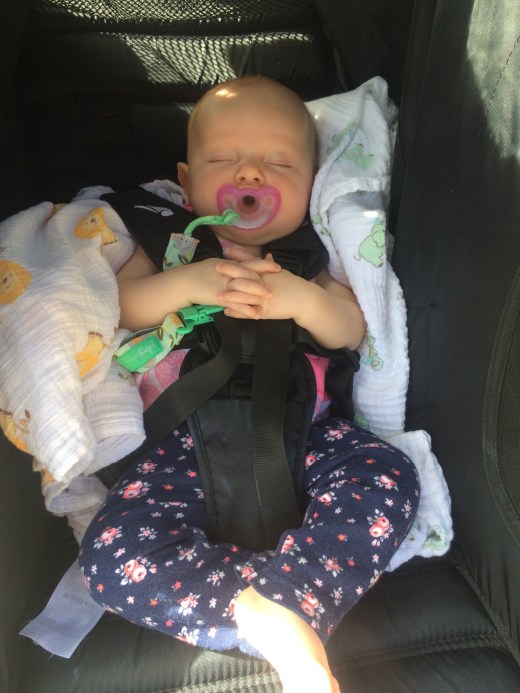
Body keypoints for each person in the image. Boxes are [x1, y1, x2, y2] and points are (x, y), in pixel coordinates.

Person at [79, 76, 419, 693]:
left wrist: (299, 299)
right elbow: (122, 305)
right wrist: (187, 284)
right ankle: (266, 611)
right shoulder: (170, 242)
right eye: (223, 160)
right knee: (108, 556)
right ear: (186, 181)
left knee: (388, 473)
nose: (251, 174)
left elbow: (349, 329)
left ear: (312, 182)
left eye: (279, 163)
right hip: (182, 447)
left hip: (304, 437)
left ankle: (285, 598)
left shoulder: (312, 257)